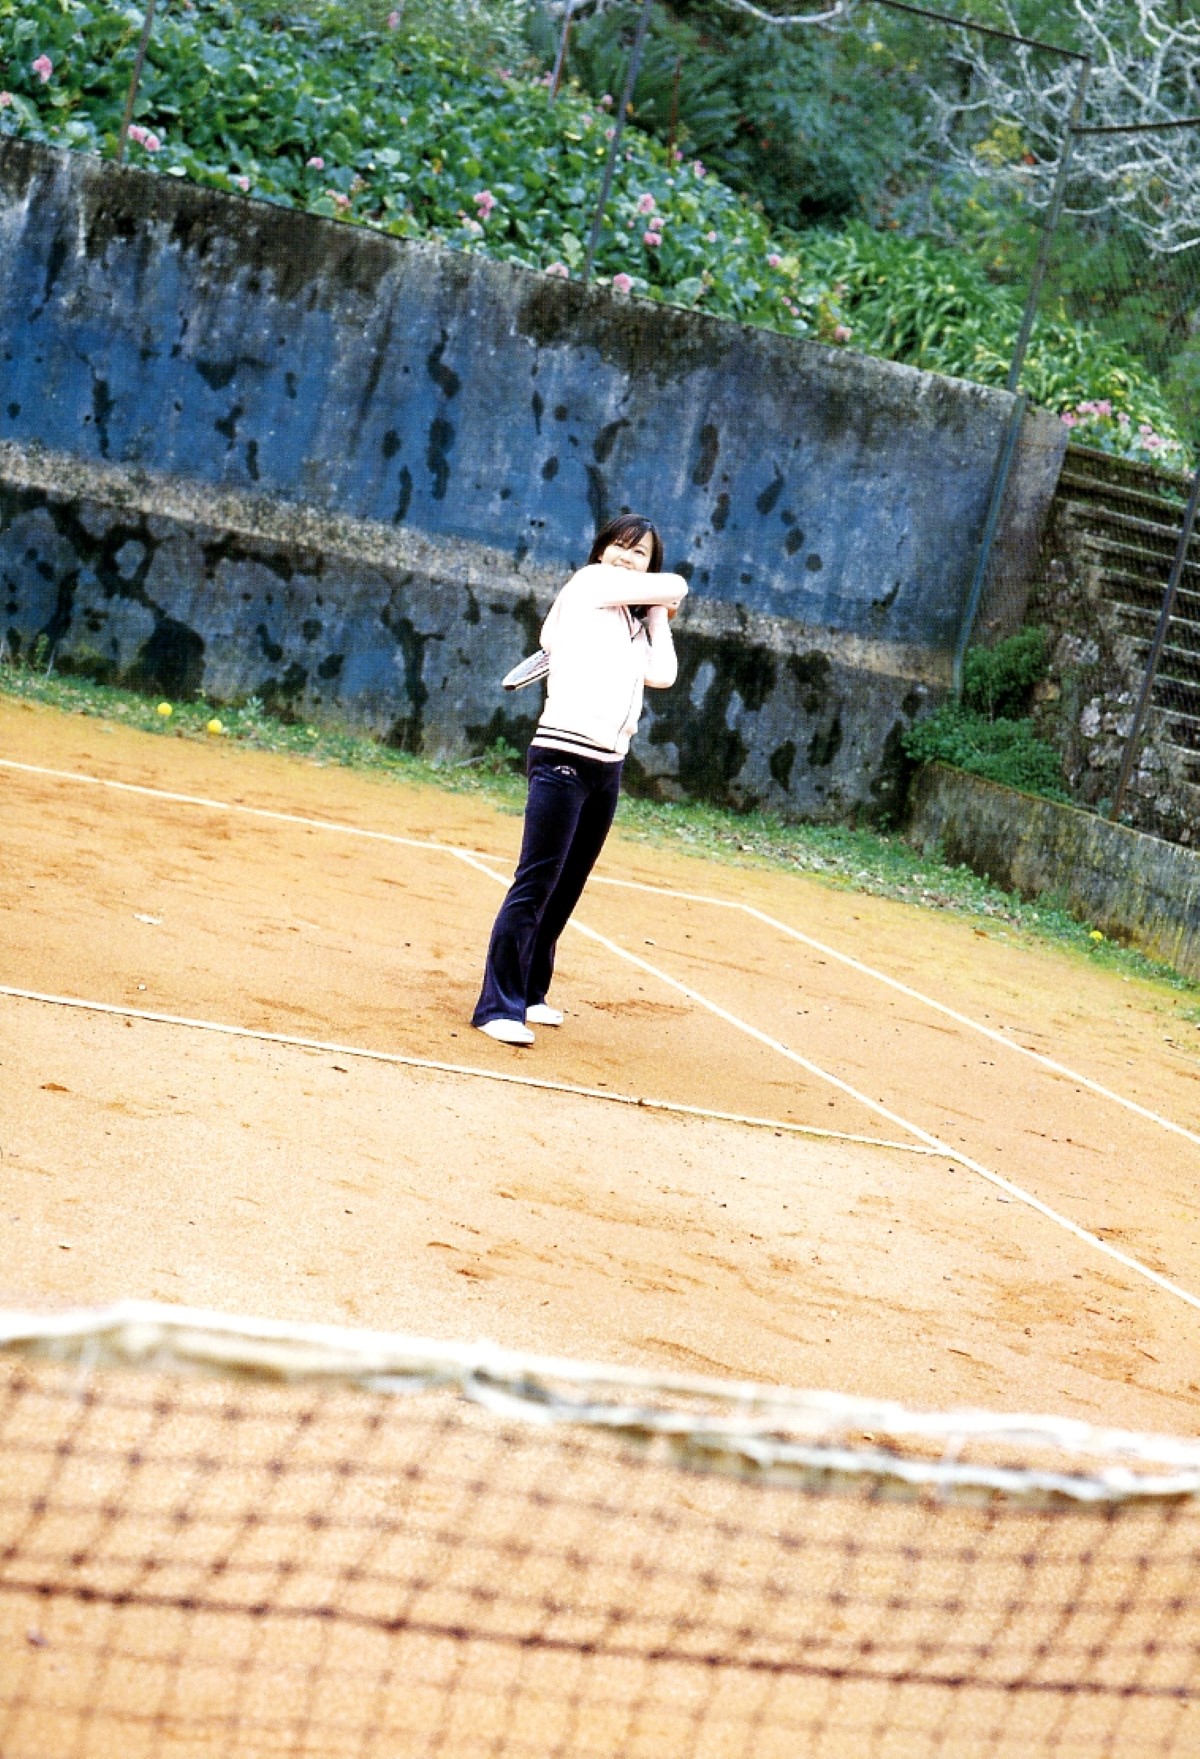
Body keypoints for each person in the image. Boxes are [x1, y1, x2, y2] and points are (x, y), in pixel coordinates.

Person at [472, 514, 688, 1045]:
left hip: (607, 767)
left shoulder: (630, 624)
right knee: (537, 880)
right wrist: (663, 593)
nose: (625, 556)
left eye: (639, 554)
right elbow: (678, 584)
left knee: (567, 886)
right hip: (562, 756)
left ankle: (529, 993)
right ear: (599, 552)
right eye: (617, 546)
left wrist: (656, 615)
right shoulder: (589, 585)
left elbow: (663, 674)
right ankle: (495, 1006)